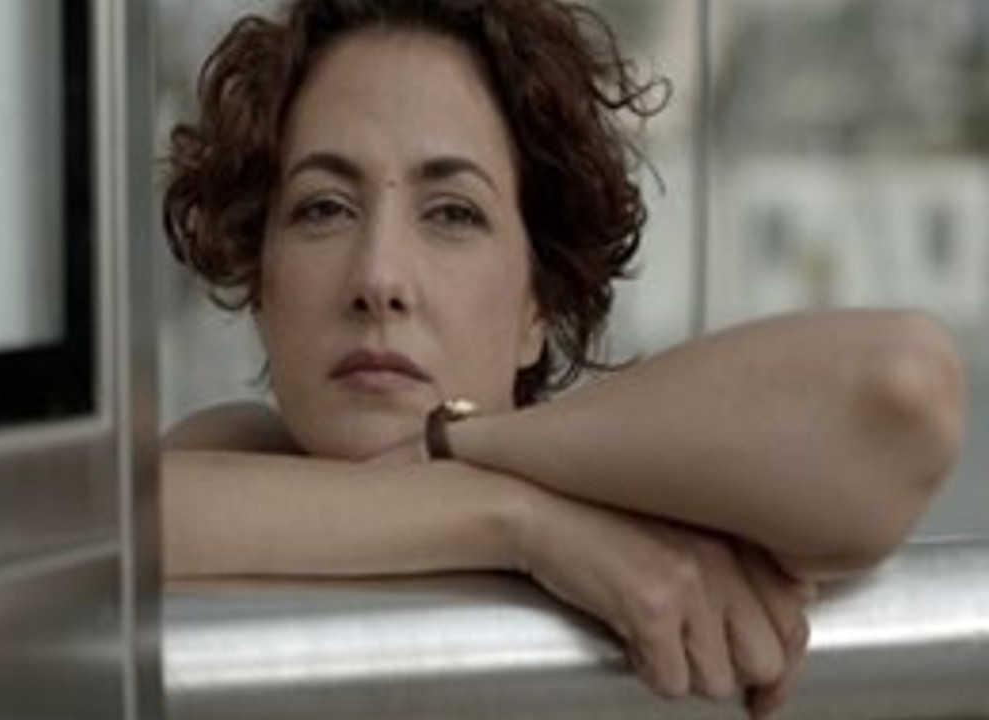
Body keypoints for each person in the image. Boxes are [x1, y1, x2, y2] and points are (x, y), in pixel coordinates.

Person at [158, 0, 966, 717]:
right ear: (262, 286)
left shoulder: (639, 483)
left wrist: (459, 443)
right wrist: (524, 524)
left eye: (453, 213)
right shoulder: (242, 456)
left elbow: (900, 388)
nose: (379, 279)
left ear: (537, 304)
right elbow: (124, 524)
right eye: (324, 208)